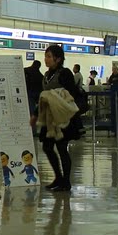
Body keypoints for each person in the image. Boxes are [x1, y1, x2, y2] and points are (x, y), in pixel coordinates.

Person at [35, 44, 81, 191]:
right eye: (45, 56)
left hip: (62, 118)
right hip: (49, 119)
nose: (46, 59)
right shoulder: (47, 75)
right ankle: (58, 177)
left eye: (49, 57)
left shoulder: (65, 73)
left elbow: (70, 94)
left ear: (58, 59)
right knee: (47, 147)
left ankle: (66, 182)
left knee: (62, 148)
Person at [24, 60, 43, 126]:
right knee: (33, 112)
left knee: (28, 112)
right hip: (35, 97)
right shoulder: (40, 76)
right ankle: (33, 129)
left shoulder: (26, 70)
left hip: (27, 94)